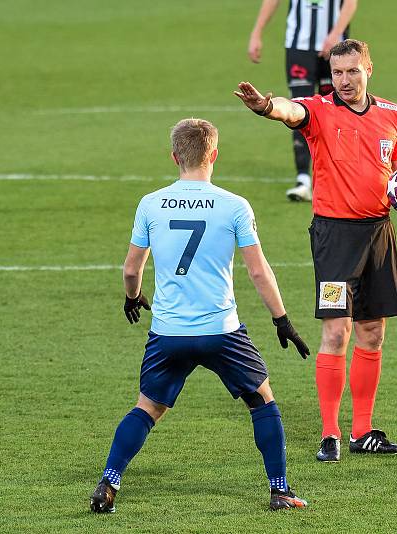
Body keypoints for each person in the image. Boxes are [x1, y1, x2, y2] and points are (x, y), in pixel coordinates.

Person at [89, 118, 311, 513]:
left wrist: (133, 297)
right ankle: (279, 490)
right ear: (214, 156)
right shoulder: (234, 205)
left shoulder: (151, 203)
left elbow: (130, 269)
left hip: (168, 332)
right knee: (263, 402)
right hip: (221, 331)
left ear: (175, 156)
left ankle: (109, 482)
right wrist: (282, 320)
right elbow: (258, 271)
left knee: (147, 408)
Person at [234, 38, 397, 462]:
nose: (343, 80)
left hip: (378, 236)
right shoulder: (320, 110)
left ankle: (363, 431)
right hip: (334, 240)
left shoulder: (391, 114)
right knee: (336, 330)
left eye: (352, 71)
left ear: (368, 70)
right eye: (338, 72)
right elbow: (291, 110)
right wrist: (267, 106)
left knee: (373, 332)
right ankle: (330, 432)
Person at [247, 0, 358, 202]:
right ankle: (303, 179)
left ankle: (340, 178)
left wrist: (335, 34)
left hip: (336, 47)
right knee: (298, 107)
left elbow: (351, 2)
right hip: (298, 47)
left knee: (338, 110)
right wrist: (257, 32)